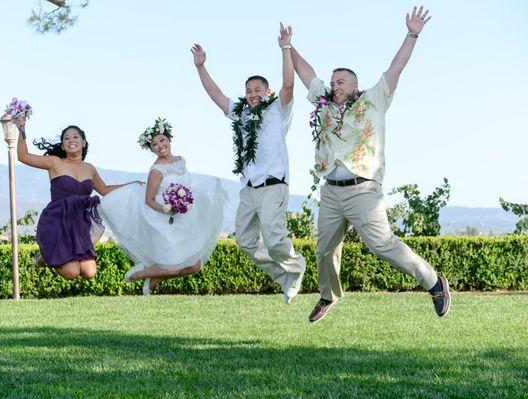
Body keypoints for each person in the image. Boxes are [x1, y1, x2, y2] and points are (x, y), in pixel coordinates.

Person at [288, 6, 451, 322]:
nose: (336, 85)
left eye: (342, 81)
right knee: (324, 250)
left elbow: (396, 66)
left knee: (382, 244)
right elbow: (305, 73)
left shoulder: (374, 99)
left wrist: (412, 33)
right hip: (331, 191)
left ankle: (433, 283)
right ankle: (328, 295)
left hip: (363, 189)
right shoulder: (324, 103)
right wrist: (287, 46)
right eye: (333, 81)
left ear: (354, 85)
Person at [191, 23, 306, 305]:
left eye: (258, 89)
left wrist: (286, 49)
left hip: (273, 185)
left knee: (275, 238)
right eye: (248, 90)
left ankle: (296, 266)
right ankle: (283, 277)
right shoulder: (241, 114)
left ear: (267, 92)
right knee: (244, 241)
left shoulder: (279, 110)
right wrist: (201, 67)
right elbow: (217, 96)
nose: (253, 93)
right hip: (248, 188)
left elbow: (289, 85)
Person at [99, 118, 225, 295]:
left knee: (194, 266)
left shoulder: (181, 161)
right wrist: (168, 208)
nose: (160, 145)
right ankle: (140, 273)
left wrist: (185, 200)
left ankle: (155, 276)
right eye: (154, 144)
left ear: (169, 140)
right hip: (164, 220)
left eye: (162, 140)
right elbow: (149, 199)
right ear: (150, 149)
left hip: (186, 218)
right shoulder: (156, 170)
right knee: (173, 268)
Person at [13, 117, 138, 280]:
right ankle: (43, 256)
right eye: (66, 138)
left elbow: (105, 190)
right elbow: (23, 156)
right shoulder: (54, 162)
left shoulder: (90, 169)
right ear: (63, 145)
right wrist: (21, 130)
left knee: (89, 273)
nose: (71, 140)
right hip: (57, 220)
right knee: (71, 273)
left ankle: (46, 254)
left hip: (79, 224)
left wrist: (131, 185)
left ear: (84, 143)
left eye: (75, 137)